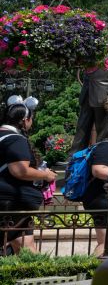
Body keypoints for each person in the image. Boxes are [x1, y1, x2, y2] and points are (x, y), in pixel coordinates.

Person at [0, 97, 55, 254]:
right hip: (11, 200)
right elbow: (20, 171)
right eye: (31, 119)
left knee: (25, 243)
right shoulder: (15, 139)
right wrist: (45, 175)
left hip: (11, 200)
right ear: (24, 120)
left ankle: (34, 274)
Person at [80, 119, 108, 256]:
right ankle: (94, 271)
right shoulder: (107, 146)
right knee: (105, 242)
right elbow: (98, 170)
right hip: (101, 198)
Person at [73, 57, 108, 152]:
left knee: (103, 130)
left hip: (103, 99)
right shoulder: (90, 58)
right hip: (86, 97)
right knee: (81, 128)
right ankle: (74, 156)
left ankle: (100, 154)